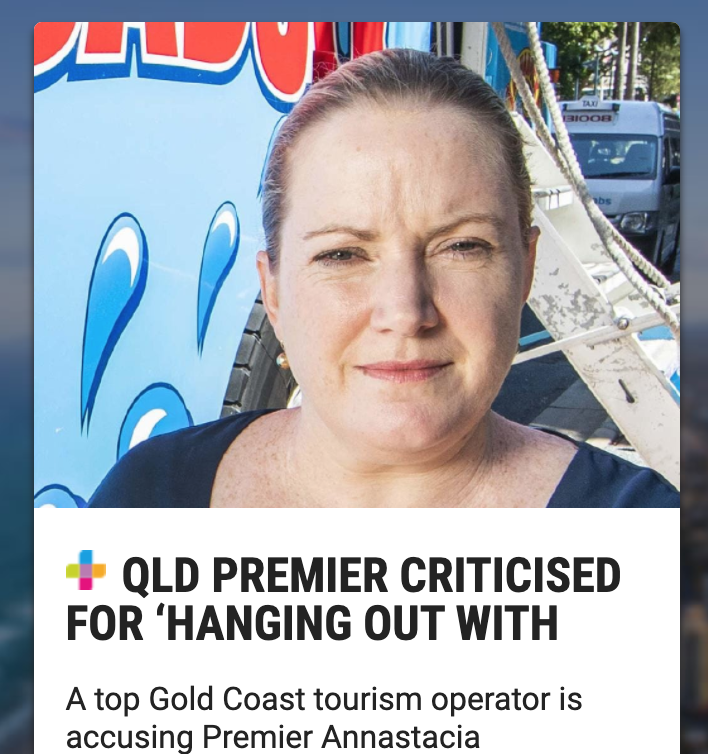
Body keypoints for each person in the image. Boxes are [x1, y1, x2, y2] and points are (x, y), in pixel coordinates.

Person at [90, 49, 678, 508]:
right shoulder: (144, 501)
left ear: (524, 269)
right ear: (273, 291)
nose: (404, 310)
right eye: (343, 255)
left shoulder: (651, 548)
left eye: (462, 246)